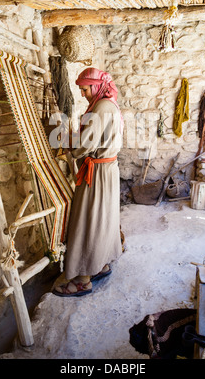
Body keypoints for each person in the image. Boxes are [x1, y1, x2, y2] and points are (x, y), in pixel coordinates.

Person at [53, 67, 123, 297]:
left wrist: (70, 152)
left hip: (98, 172)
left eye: (84, 89)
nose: (82, 94)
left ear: (95, 86)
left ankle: (84, 278)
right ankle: (100, 264)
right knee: (102, 218)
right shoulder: (108, 103)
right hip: (106, 169)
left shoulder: (102, 107)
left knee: (87, 220)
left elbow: (87, 143)